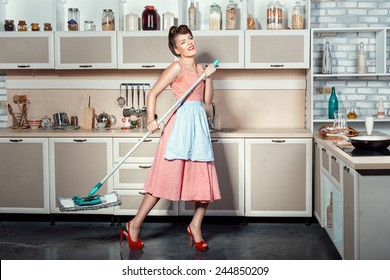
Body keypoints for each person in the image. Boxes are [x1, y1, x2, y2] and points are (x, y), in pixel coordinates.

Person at [119, 25, 221, 252]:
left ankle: (195, 226)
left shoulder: (201, 68)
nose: (189, 43)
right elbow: (153, 92)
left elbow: (206, 101)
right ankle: (134, 225)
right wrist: (150, 120)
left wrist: (209, 77)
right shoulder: (176, 67)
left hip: (198, 127)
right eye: (183, 42)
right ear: (176, 49)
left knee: (203, 182)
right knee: (162, 181)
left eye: (190, 38)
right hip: (178, 127)